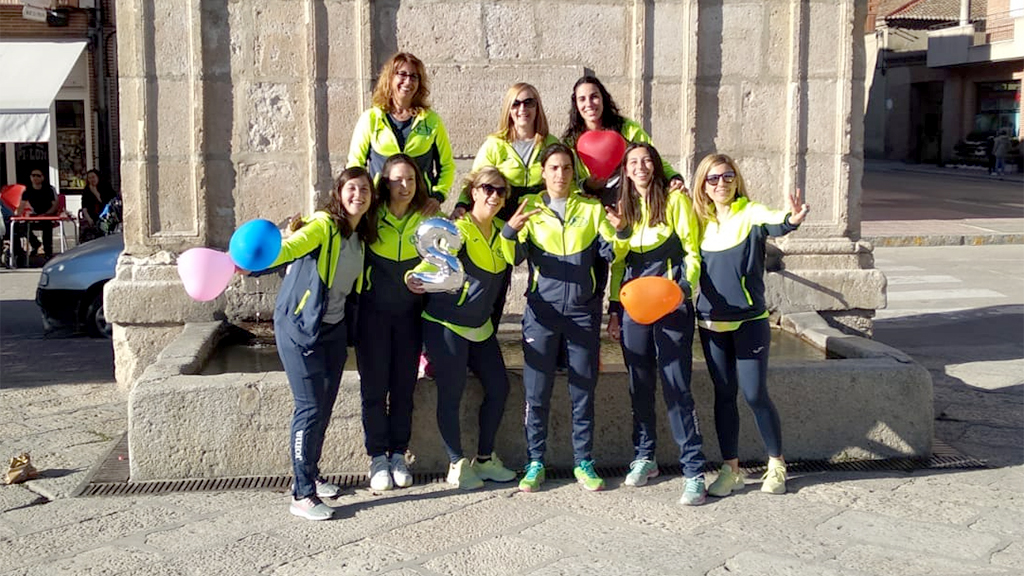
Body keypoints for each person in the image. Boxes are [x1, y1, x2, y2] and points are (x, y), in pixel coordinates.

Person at [501, 143, 626, 493]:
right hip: (543, 313)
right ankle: (535, 462)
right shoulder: (532, 211)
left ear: (573, 173)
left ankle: (583, 462)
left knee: (582, 391)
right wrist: (510, 230)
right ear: (543, 172)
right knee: (537, 393)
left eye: (566, 168)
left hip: (582, 314)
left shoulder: (589, 209)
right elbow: (510, 257)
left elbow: (613, 251)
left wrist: (620, 231)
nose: (560, 174)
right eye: (553, 168)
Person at [690, 153, 809, 497]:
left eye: (727, 177)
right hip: (711, 322)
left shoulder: (750, 212)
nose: (721, 184)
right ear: (704, 185)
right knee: (724, 396)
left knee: (755, 393)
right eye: (713, 179)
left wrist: (792, 218)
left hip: (749, 321)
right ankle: (731, 469)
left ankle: (776, 464)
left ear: (736, 180)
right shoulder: (699, 221)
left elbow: (777, 221)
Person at [264, 166, 376, 521]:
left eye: (365, 190)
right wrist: (254, 261)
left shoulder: (361, 237)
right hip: (300, 327)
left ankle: (309, 473)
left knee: (324, 406)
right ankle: (301, 493)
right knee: (309, 407)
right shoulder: (324, 226)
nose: (358, 195)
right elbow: (291, 248)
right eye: (351, 189)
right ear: (339, 193)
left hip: (333, 329)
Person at [605, 143, 707, 505]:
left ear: (656, 166)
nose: (641, 167)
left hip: (671, 305)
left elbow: (693, 252)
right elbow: (618, 265)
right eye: (633, 162)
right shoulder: (623, 210)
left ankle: (694, 469)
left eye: (647, 160)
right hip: (634, 310)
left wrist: (683, 289)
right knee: (640, 384)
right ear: (626, 171)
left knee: (677, 385)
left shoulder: (675, 201)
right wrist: (614, 309)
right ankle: (645, 457)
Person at [406, 167, 518, 490]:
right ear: (473, 192)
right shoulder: (458, 230)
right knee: (451, 393)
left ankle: (484, 458)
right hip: (446, 325)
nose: (494, 195)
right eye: (487, 188)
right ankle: (456, 462)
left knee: (499, 387)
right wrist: (414, 279)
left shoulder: (503, 230)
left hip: (480, 328)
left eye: (500, 191)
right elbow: (430, 264)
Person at [357, 154, 437, 491]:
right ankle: (377, 455)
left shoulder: (427, 218)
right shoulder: (370, 217)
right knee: (374, 390)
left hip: (409, 317)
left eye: (411, 179)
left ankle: (398, 454)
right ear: (385, 182)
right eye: (397, 179)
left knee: (404, 388)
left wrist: (426, 277)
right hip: (372, 317)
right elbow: (336, 222)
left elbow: (443, 260)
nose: (405, 186)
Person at [455, 82, 561, 328]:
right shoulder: (495, 144)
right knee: (495, 283)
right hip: (503, 223)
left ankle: (550, 343)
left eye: (529, 102)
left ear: (537, 107)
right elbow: (475, 179)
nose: (522, 108)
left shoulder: (550, 142)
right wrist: (462, 205)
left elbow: (566, 178)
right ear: (508, 109)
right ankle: (483, 337)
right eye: (516, 103)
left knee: (547, 280)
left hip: (540, 224)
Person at [347, 52, 455, 209]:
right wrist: (362, 198)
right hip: (380, 207)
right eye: (402, 74)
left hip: (419, 207)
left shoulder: (432, 121)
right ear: (390, 78)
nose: (408, 81)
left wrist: (438, 196)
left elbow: (447, 165)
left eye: (414, 77)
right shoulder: (370, 119)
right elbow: (355, 164)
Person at [562, 75, 686, 205]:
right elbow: (568, 183)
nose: (589, 104)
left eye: (594, 97)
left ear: (603, 98)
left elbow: (652, 157)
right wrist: (587, 186)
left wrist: (673, 177)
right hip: (591, 203)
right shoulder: (570, 142)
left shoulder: (627, 129)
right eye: (582, 99)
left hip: (629, 199)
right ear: (576, 104)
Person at [14, 169, 58, 264]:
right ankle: (35, 244)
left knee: (47, 225)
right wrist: (17, 216)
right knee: (21, 226)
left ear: (42, 177)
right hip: (35, 214)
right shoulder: (27, 191)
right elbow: (21, 206)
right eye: (33, 175)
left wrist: (47, 214)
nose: (35, 178)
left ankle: (48, 251)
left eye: (38, 175)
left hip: (48, 214)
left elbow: (55, 205)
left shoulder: (49, 189)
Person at [80, 169, 117, 242]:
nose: (91, 180)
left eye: (93, 177)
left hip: (105, 215)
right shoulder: (86, 190)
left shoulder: (105, 187)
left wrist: (96, 193)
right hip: (92, 216)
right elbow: (84, 206)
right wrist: (89, 218)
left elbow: (107, 202)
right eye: (89, 178)